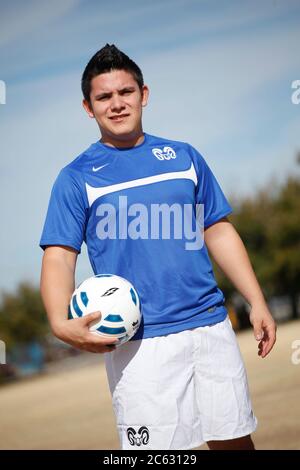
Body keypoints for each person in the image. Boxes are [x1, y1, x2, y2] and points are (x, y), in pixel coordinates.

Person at [40, 44, 276, 450]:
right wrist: (60, 322)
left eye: (125, 92)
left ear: (143, 94)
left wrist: (256, 300)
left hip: (210, 326)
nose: (116, 104)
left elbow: (217, 230)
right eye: (104, 97)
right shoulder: (76, 177)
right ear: (88, 107)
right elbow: (60, 255)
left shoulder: (184, 157)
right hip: (140, 346)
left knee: (235, 442)